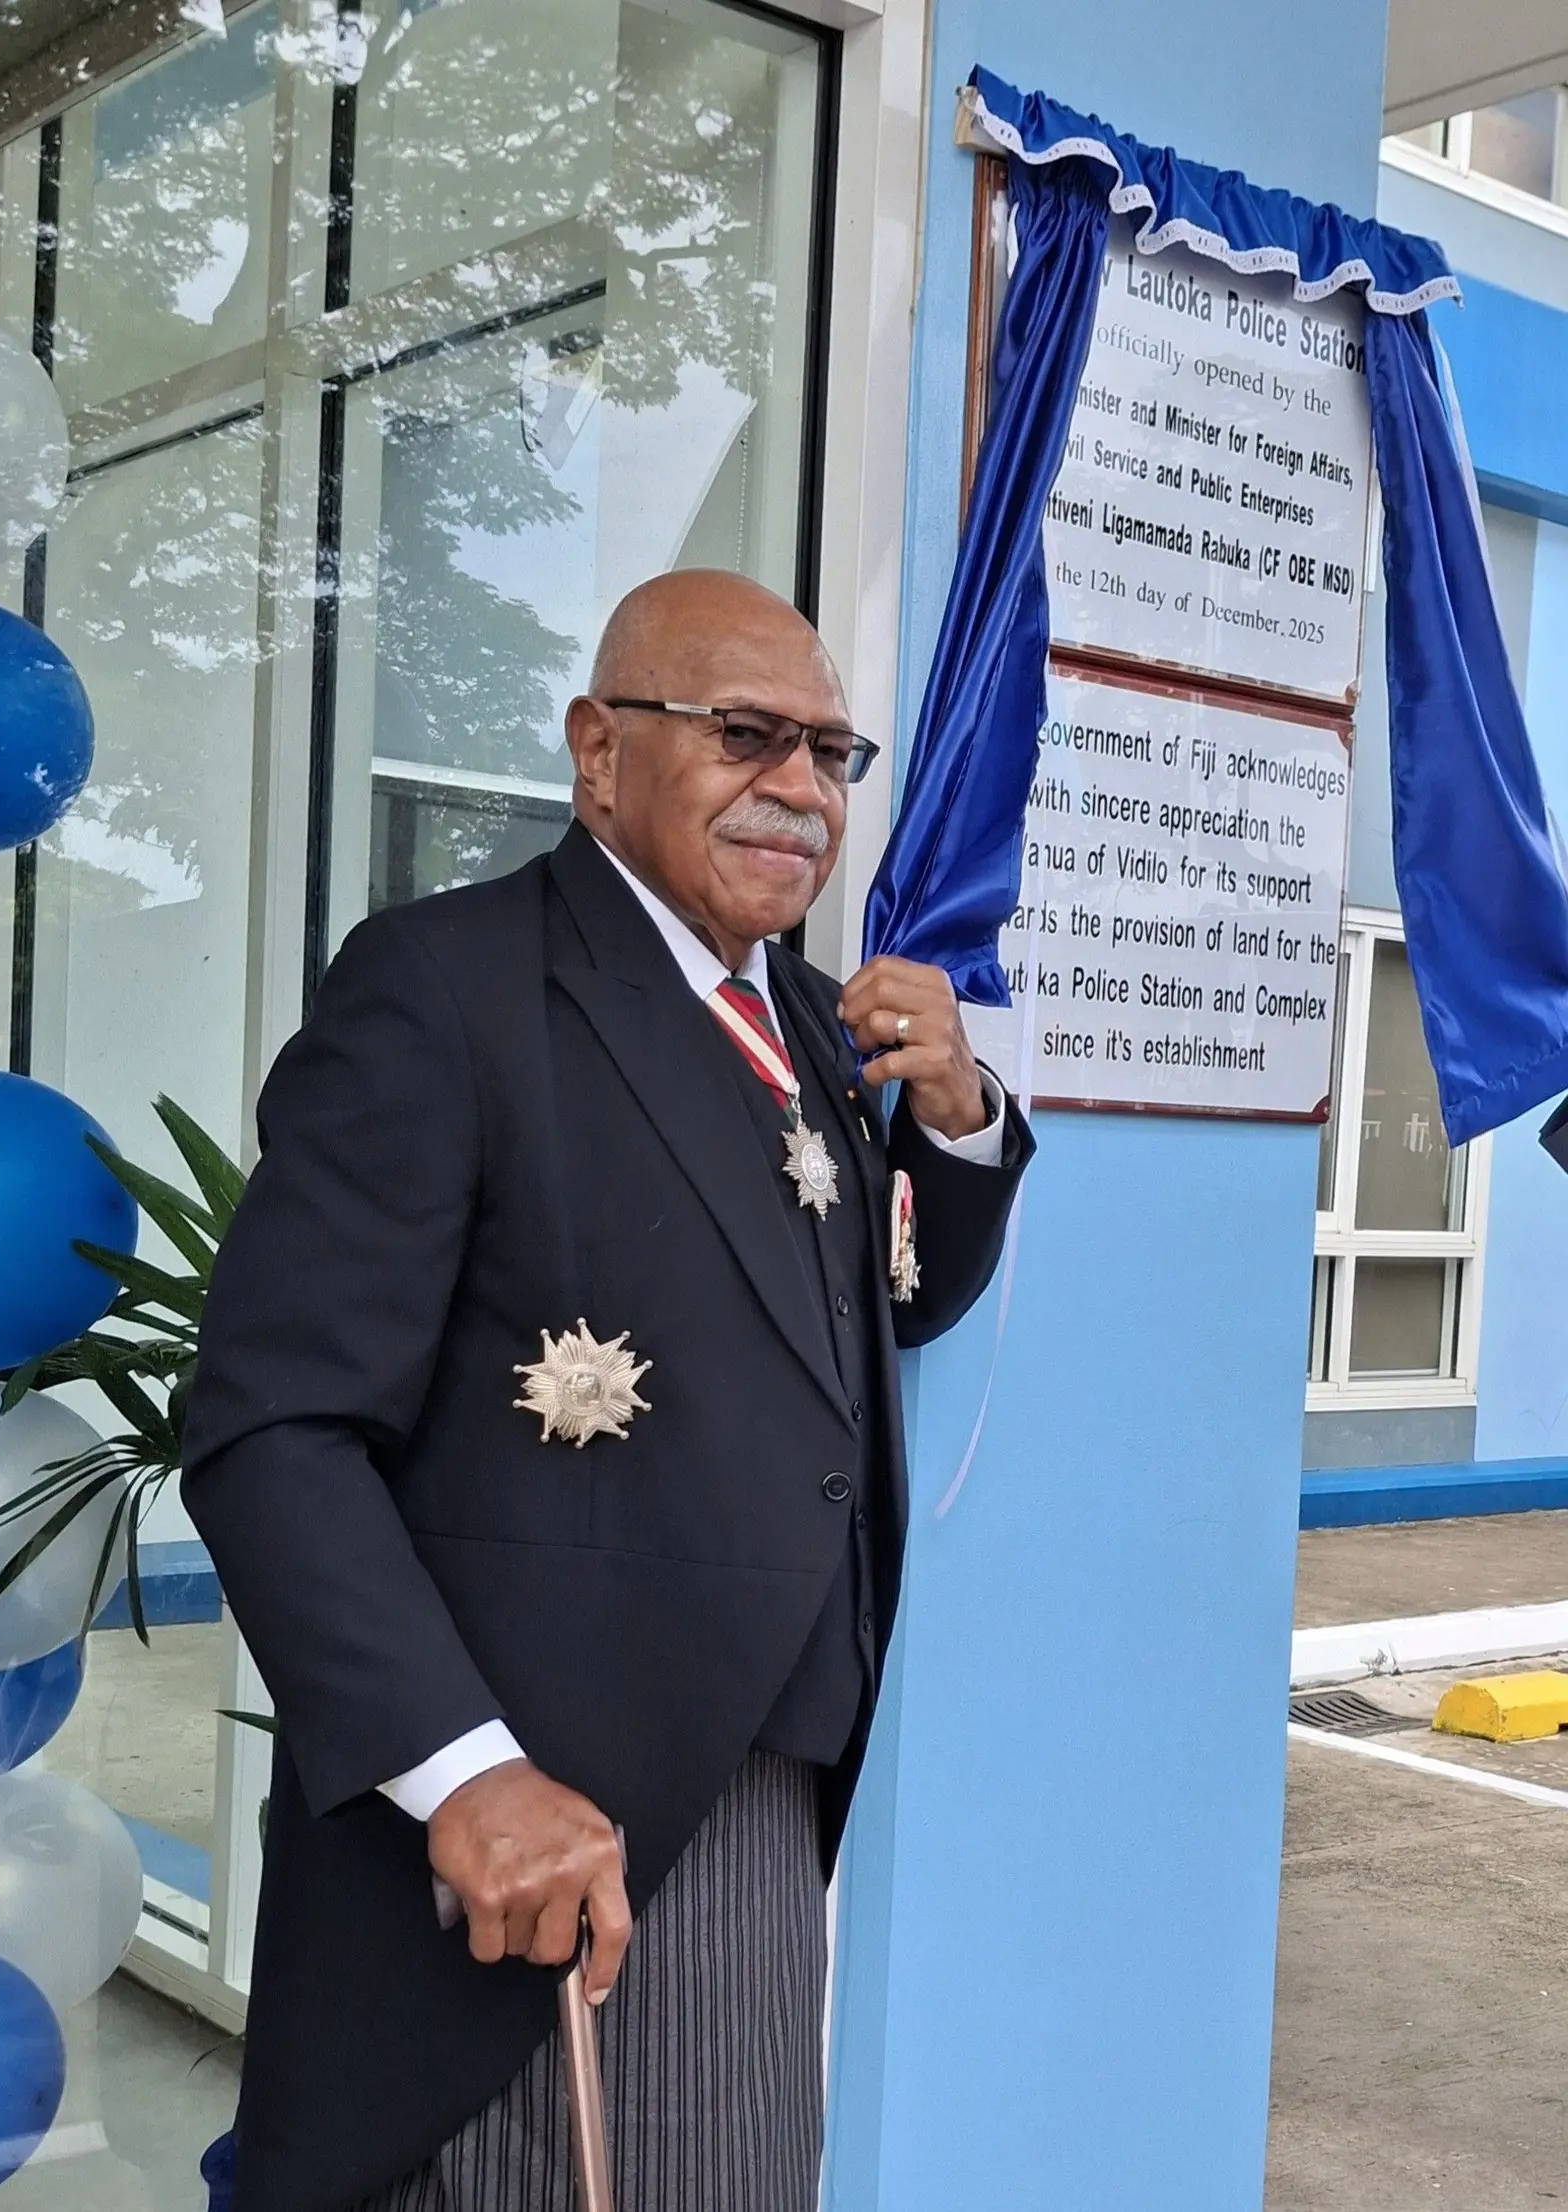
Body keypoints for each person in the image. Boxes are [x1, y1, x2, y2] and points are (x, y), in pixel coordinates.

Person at [182, 570, 1033, 2211]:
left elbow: (869, 1317)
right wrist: (466, 1772)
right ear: (599, 752)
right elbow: (274, 1424)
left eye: (832, 755)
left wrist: (959, 1121)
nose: (799, 786)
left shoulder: (805, 1018)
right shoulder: (446, 990)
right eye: (746, 736)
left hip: (761, 1804)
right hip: (521, 1838)